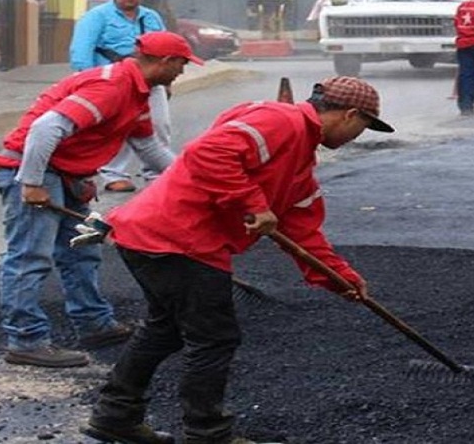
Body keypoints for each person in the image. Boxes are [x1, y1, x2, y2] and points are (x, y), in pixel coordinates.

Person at [79, 76, 394, 444]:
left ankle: (115, 417)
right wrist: (253, 204)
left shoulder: (300, 160)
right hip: (177, 239)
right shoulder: (282, 121)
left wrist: (340, 278)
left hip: (155, 235)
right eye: (364, 126)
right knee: (213, 338)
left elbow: (302, 231)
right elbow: (208, 153)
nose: (359, 135)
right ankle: (207, 434)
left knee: (165, 329)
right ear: (350, 114)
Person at [0, 31, 201, 368]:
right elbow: (46, 129)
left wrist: (193, 180)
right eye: (181, 64)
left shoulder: (137, 93)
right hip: (34, 168)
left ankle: (94, 324)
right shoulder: (112, 86)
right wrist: (31, 183)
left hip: (66, 174)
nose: (182, 71)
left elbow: (149, 148)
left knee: (83, 249)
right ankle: (26, 340)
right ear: (165, 61)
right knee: (31, 256)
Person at [70, 0, 168, 192]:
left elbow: (166, 48)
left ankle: (156, 174)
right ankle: (113, 174)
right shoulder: (96, 16)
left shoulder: (151, 17)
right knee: (118, 127)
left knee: (159, 125)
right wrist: (89, 82)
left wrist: (167, 80)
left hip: (150, 80)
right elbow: (81, 51)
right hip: (114, 82)